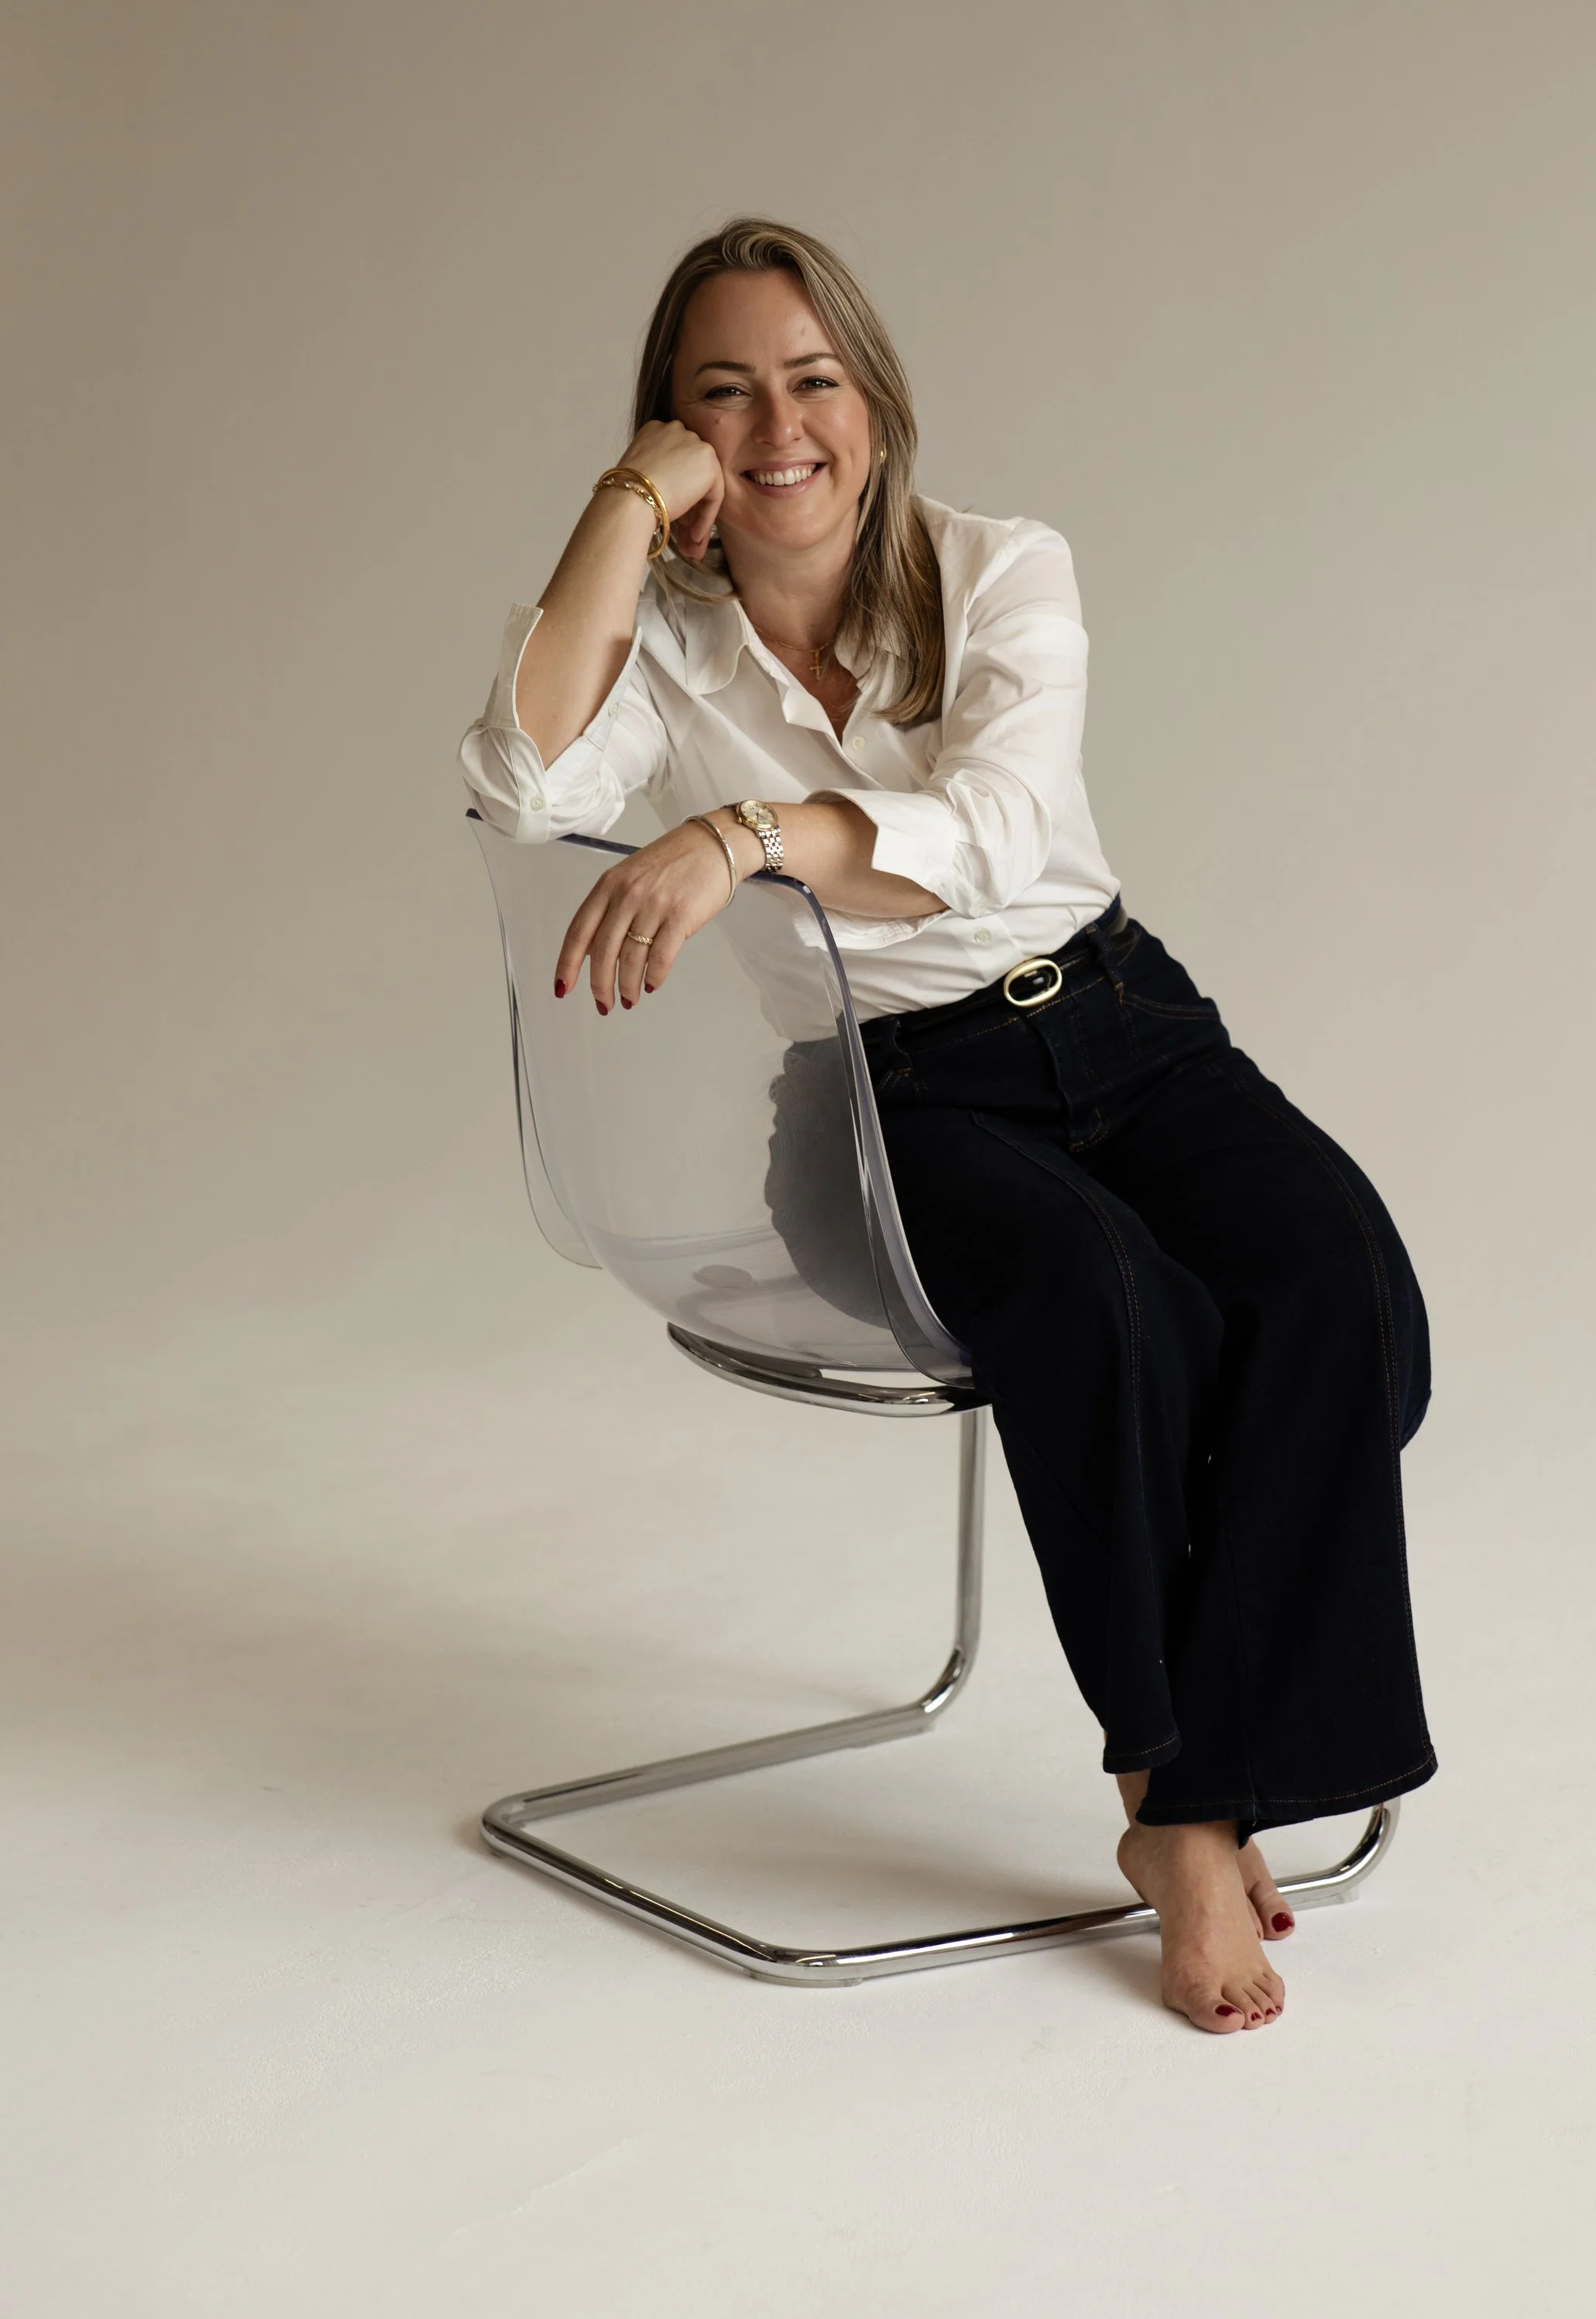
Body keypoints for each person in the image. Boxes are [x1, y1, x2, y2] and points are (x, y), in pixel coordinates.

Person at [459, 218, 1435, 2033]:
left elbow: (986, 832)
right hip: (889, 1095)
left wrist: (741, 834)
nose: (776, 428)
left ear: (877, 403)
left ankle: (1202, 1779)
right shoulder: (662, 642)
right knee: (1106, 1302)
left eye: (812, 380)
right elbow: (515, 779)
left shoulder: (1004, 571)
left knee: (1338, 1294)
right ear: (672, 434)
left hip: (1129, 1027)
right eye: (718, 395)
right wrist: (617, 506)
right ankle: (1179, 1802)